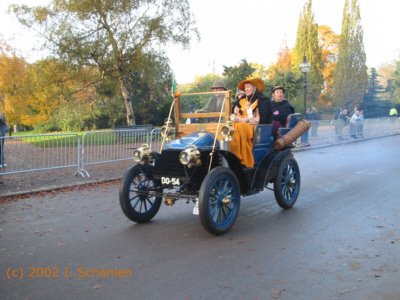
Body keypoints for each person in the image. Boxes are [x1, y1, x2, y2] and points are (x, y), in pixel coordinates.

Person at [230, 78, 272, 168]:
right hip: (240, 122)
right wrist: (236, 116)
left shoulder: (263, 100)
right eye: (245, 87)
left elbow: (263, 118)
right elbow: (233, 113)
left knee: (240, 127)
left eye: (248, 87)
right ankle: (231, 152)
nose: (246, 89)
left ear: (255, 88)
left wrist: (247, 119)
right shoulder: (241, 100)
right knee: (229, 127)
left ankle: (240, 156)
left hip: (253, 125)